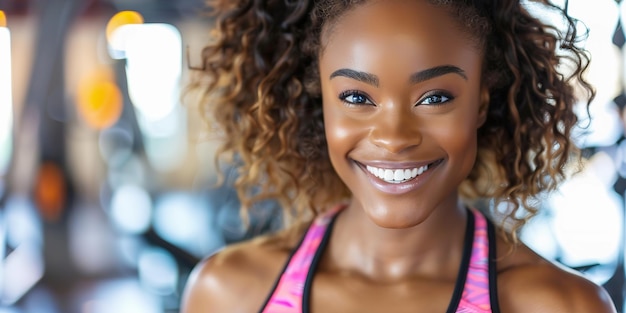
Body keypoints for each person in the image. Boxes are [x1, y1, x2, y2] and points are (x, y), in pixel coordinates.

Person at [180, 0, 618, 312]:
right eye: (355, 96)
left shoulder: (561, 306)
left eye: (434, 97)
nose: (394, 138)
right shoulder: (227, 292)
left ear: (482, 102)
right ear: (319, 100)